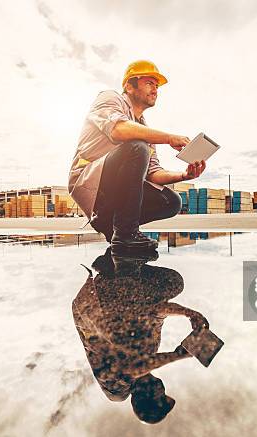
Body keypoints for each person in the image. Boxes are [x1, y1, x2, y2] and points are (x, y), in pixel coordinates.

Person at [68, 60, 206, 252]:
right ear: (129, 85)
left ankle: (112, 226)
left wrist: (185, 175)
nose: (155, 89)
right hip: (90, 181)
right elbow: (118, 129)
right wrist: (168, 138)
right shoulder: (110, 98)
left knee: (172, 202)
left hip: (116, 187)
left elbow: (154, 173)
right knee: (137, 147)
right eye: (150, 83)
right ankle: (125, 233)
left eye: (157, 86)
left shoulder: (144, 129)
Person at [72, 248, 209, 423]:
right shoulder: (150, 348)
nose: (162, 389)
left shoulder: (117, 392)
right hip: (114, 299)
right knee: (174, 282)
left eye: (161, 395)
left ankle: (123, 263)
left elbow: (131, 367)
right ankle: (115, 266)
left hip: (98, 305)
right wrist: (189, 313)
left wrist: (180, 354)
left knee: (169, 284)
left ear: (148, 399)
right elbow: (156, 310)